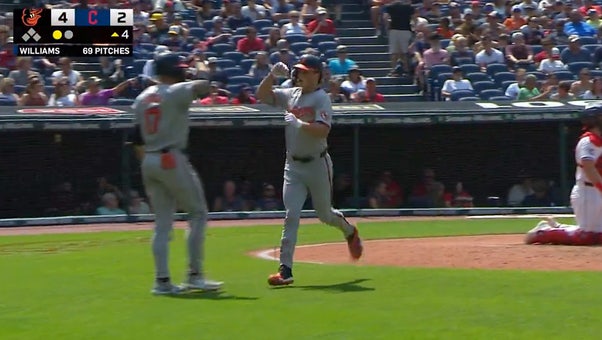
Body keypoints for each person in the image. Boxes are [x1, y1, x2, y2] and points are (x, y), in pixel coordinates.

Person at [256, 54, 363, 286]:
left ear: (318, 75)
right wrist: (271, 76)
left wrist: (300, 125)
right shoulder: (291, 94)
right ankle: (285, 270)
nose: (301, 75)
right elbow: (262, 96)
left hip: (317, 163)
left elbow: (323, 130)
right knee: (291, 215)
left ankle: (349, 231)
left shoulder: (320, 98)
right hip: (292, 166)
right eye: (299, 71)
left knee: (324, 214)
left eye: (306, 71)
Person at [130, 52, 223, 295]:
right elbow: (205, 85)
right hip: (171, 156)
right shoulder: (175, 90)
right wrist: (200, 67)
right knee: (198, 213)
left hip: (149, 158)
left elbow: (135, 138)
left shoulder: (142, 97)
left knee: (162, 225)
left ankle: (162, 282)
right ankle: (195, 275)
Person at [525, 102, 602, 245]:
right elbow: (589, 169)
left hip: (598, 191)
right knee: (585, 237)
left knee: (597, 236)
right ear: (594, 119)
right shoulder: (588, 141)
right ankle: (542, 233)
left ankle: (558, 227)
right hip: (588, 191)